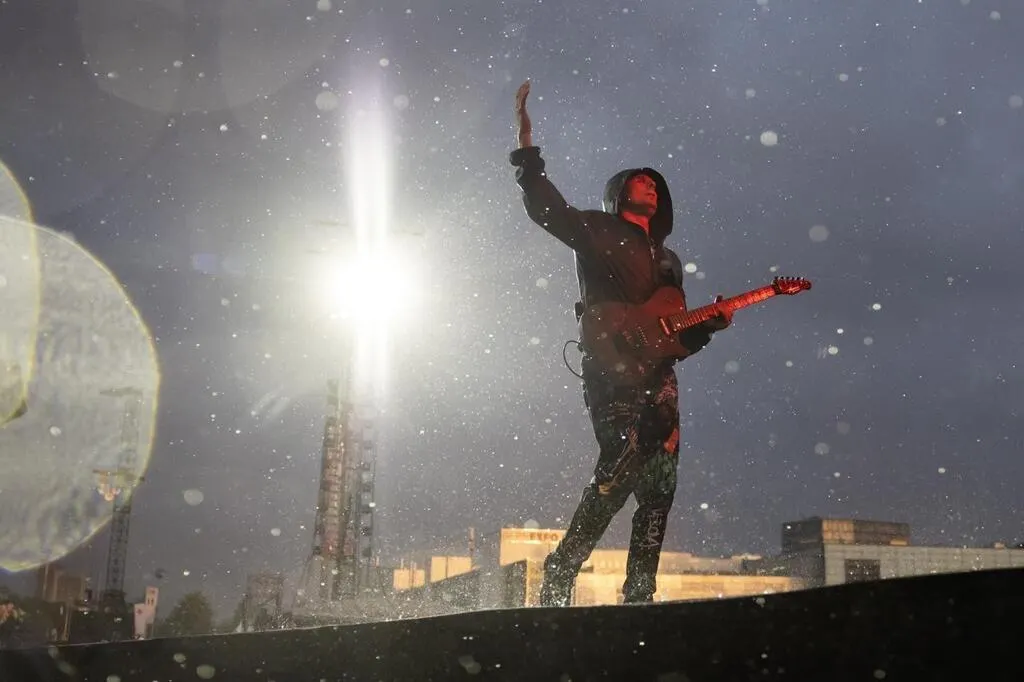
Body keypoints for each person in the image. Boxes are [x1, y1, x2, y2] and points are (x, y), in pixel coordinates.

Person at [509, 80, 732, 606]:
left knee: (660, 488)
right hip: (611, 369)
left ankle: (639, 596)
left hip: (661, 379)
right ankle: (563, 567)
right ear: (618, 192)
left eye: (656, 184)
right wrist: (526, 147)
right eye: (640, 180)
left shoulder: (669, 262)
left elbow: (676, 335)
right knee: (618, 469)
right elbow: (546, 208)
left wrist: (709, 326)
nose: (650, 185)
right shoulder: (597, 230)